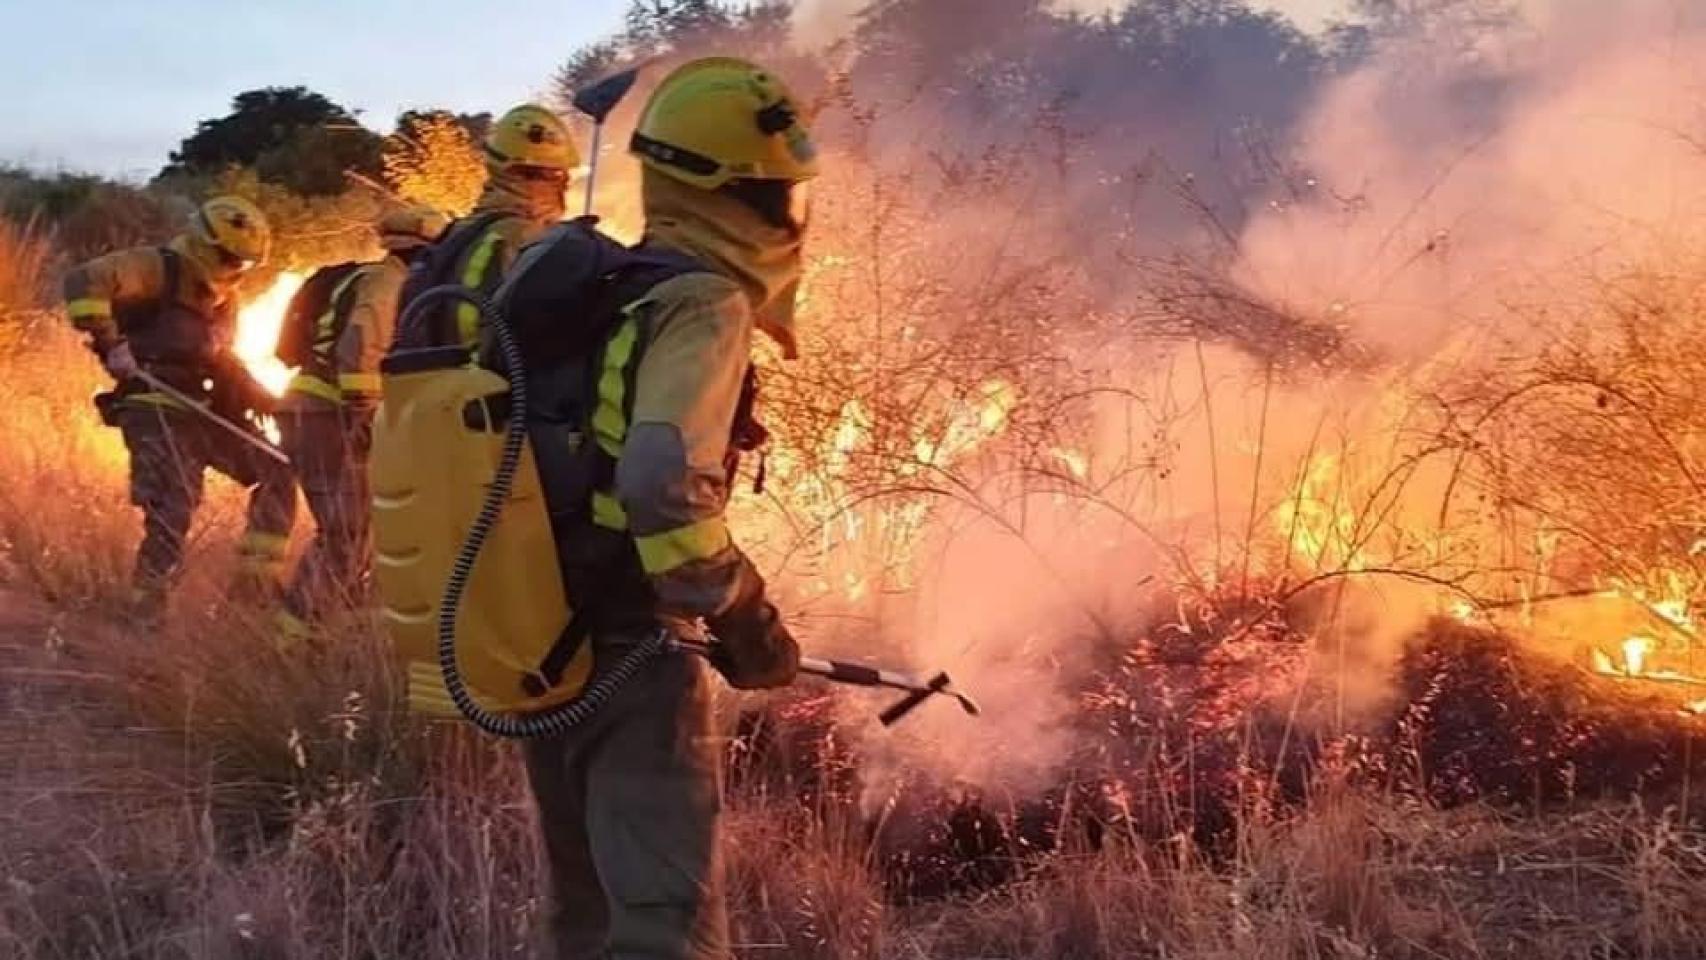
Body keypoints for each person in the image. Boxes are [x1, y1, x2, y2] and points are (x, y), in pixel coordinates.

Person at [521, 57, 817, 960]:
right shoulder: (703, 300)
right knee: (663, 921)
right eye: (779, 195)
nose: (790, 217)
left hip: (537, 626)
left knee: (585, 909)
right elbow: (660, 483)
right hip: (628, 643)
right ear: (740, 195)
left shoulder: (606, 285)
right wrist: (743, 614)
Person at [63, 195, 297, 621]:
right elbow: (83, 282)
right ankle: (145, 613)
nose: (236, 270)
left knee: (276, 467)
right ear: (204, 244)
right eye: (230, 259)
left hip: (202, 407)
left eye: (245, 264)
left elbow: (224, 361)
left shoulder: (226, 299)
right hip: (154, 406)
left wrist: (271, 404)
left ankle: (251, 590)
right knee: (174, 506)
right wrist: (110, 344)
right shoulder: (157, 268)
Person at [274, 204, 449, 642]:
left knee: (355, 531)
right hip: (328, 415)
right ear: (424, 250)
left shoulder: (367, 275)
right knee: (345, 532)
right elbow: (359, 345)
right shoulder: (390, 283)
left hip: (311, 410)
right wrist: (363, 411)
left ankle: (332, 633)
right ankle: (296, 641)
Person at [398, 103, 578, 350]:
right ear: (546, 177)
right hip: (501, 385)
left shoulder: (457, 232)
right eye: (560, 177)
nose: (565, 187)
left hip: (440, 384)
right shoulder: (530, 240)